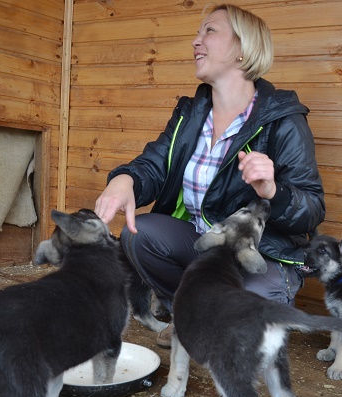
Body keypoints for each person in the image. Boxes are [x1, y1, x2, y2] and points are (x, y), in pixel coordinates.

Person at [94, 4, 325, 348]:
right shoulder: (191, 113)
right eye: (199, 32)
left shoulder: (283, 119)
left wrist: (274, 191)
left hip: (260, 257)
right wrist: (125, 179)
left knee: (248, 311)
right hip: (204, 247)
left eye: (210, 31)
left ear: (242, 49)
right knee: (138, 233)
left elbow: (312, 208)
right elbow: (154, 165)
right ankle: (188, 311)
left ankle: (212, 315)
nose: (195, 41)